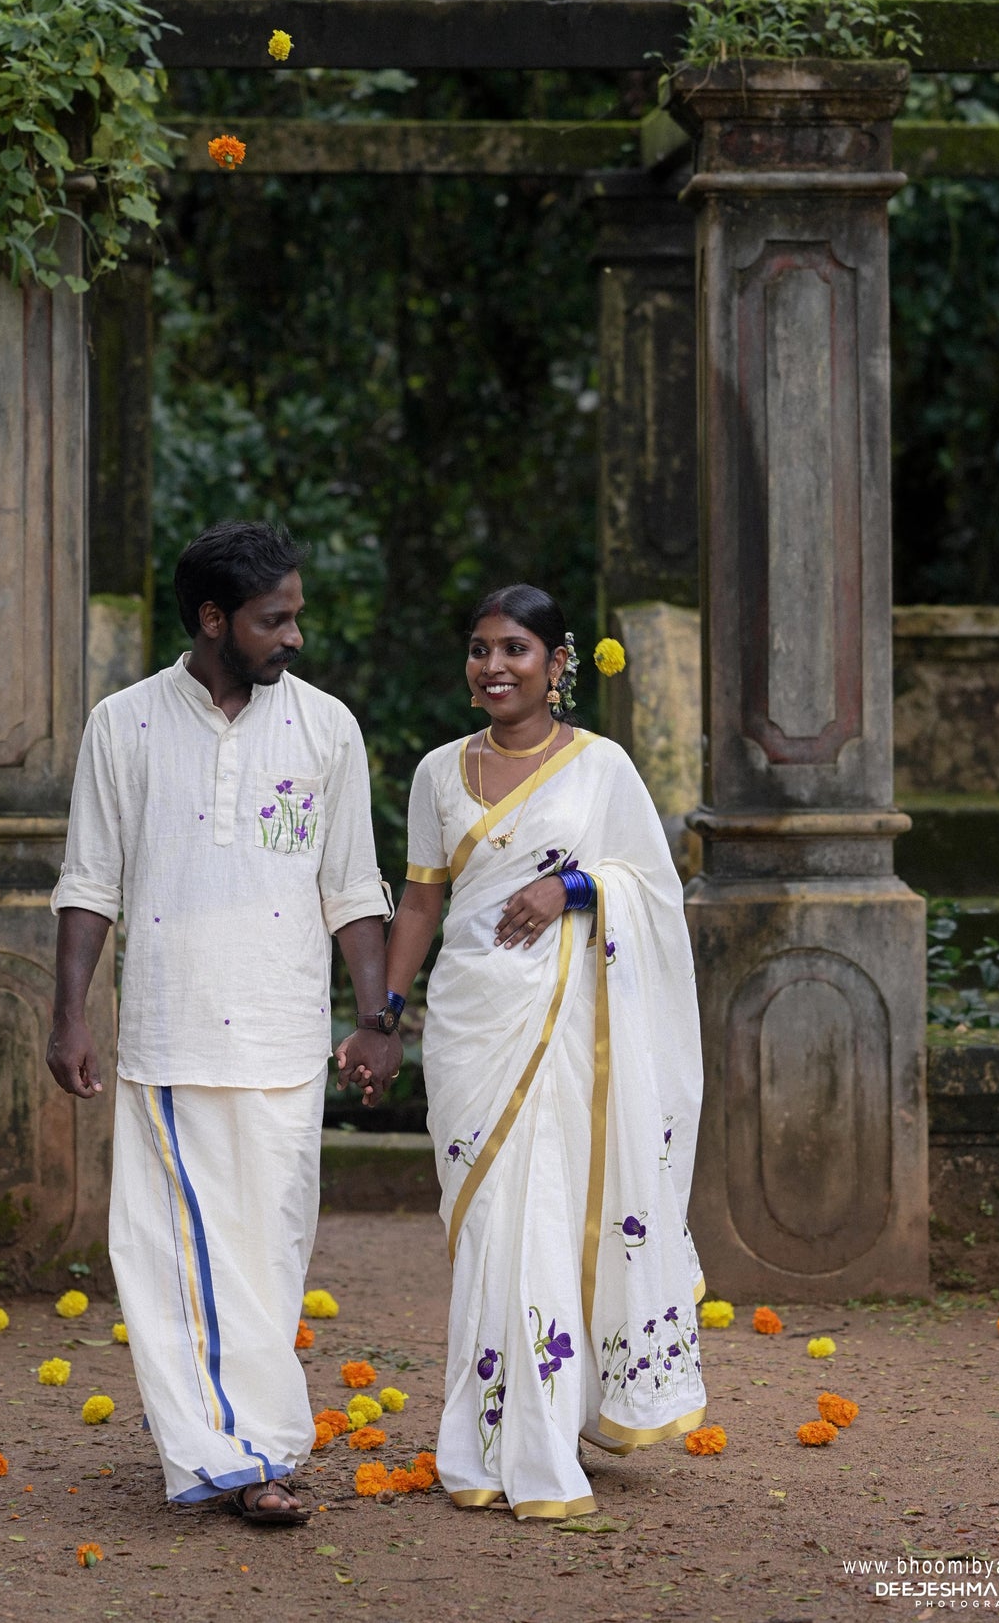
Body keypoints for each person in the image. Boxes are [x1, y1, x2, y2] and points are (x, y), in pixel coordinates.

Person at [47, 521, 401, 1526]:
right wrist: (69, 1013)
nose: (293, 635)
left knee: (270, 1251)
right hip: (170, 1030)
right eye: (272, 618)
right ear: (213, 620)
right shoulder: (123, 724)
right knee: (172, 1254)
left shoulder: (326, 728)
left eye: (294, 614)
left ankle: (241, 1443)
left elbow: (350, 888)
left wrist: (376, 1017)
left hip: (287, 1034)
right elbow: (90, 884)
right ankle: (242, 1457)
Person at [350, 585, 706, 1521]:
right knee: (483, 1230)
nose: (493, 666)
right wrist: (384, 1017)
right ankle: (480, 1438)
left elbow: (654, 889)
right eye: (478, 649)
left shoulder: (601, 769)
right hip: (471, 1026)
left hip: (566, 1029)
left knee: (545, 1217)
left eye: (514, 648)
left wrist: (576, 888)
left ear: (557, 664)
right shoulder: (436, 772)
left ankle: (541, 1447)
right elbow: (420, 902)